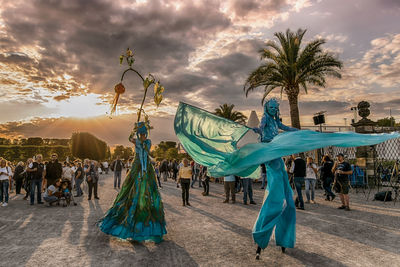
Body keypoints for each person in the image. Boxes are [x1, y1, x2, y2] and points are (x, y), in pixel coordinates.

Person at [99, 122, 167, 243]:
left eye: (144, 134)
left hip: (146, 167)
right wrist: (133, 130)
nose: (142, 136)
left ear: (146, 134)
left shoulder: (148, 142)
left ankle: (144, 227)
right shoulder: (136, 140)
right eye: (140, 134)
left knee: (147, 191)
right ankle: (130, 226)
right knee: (130, 190)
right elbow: (130, 138)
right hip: (136, 166)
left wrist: (138, 140)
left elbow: (145, 148)